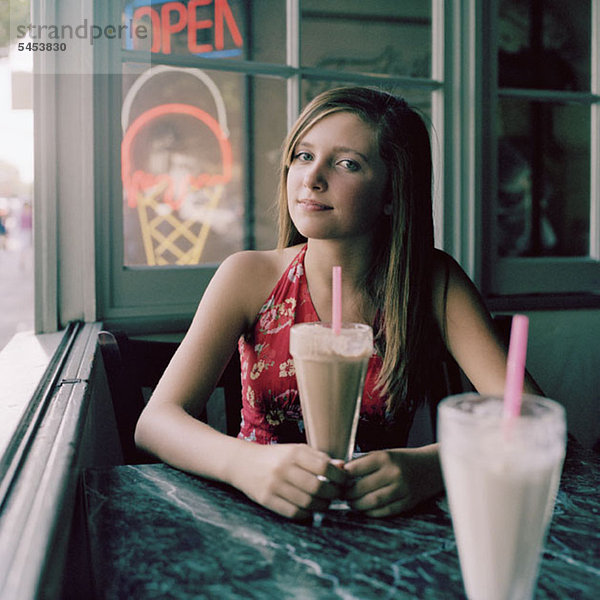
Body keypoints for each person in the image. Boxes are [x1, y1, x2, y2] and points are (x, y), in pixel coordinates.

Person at [135, 86, 541, 520]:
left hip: (377, 526)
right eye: (304, 156)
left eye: (347, 163)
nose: (312, 178)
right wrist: (245, 464)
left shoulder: (431, 282)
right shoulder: (248, 276)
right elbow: (156, 422)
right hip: (255, 517)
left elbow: (531, 417)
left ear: (392, 193)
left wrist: (435, 465)